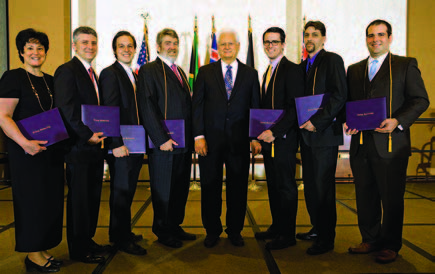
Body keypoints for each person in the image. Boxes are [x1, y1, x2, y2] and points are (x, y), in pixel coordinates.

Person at [346, 19, 429, 264]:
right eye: (371, 35)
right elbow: (351, 104)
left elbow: (420, 100)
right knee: (365, 194)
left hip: (392, 144)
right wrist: (348, 120)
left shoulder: (405, 65)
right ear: (366, 39)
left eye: (381, 35)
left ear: (390, 38)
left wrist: (398, 121)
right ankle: (370, 239)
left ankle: (391, 244)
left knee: (391, 197)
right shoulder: (355, 69)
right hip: (361, 143)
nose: (375, 39)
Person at [0, 28, 64, 272]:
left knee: (49, 201)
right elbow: (3, 116)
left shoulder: (50, 81)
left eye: (40, 48)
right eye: (30, 48)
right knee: (32, 202)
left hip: (50, 152)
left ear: (46, 52)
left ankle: (42, 249)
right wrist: (26, 143)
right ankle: (33, 255)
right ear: (21, 53)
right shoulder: (13, 77)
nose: (36, 52)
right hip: (26, 153)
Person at [192, 29, 261, 248]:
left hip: (239, 142)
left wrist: (254, 137)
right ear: (217, 47)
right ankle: (212, 230)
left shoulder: (251, 74)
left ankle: (235, 230)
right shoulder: (205, 72)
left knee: (238, 188)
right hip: (209, 143)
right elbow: (197, 106)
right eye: (223, 44)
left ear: (239, 46)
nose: (227, 47)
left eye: (231, 43)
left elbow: (255, 107)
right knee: (210, 187)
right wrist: (199, 136)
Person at [54, 26, 110, 264]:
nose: (90, 46)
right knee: (79, 201)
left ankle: (87, 240)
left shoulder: (91, 73)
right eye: (85, 42)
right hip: (79, 147)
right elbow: (66, 109)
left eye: (94, 42)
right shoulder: (67, 71)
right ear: (74, 45)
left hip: (94, 147)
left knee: (92, 198)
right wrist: (87, 135)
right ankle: (79, 249)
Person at [137, 28, 195, 249]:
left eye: (175, 42)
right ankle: (162, 230)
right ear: (159, 46)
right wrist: (160, 138)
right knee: (163, 188)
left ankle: (175, 225)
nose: (172, 46)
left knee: (180, 187)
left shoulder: (179, 70)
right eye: (168, 43)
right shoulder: (149, 70)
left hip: (182, 142)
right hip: (163, 143)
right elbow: (147, 106)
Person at [298, 21, 347, 255]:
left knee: (323, 188)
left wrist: (316, 122)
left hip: (324, 135)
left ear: (323, 38)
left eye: (315, 35)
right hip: (306, 136)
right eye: (306, 35)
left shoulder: (332, 60)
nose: (310, 38)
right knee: (310, 187)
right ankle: (317, 228)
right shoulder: (303, 65)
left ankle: (327, 238)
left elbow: (339, 96)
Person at [254, 27, 304, 250]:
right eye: (267, 42)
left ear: (284, 44)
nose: (270, 45)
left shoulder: (291, 70)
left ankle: (288, 234)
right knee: (273, 185)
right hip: (268, 140)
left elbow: (295, 109)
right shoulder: (267, 71)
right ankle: (277, 227)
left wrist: (274, 132)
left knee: (285, 186)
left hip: (283, 139)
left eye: (275, 42)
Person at [99, 31, 147, 255]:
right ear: (114, 49)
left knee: (127, 191)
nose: (126, 50)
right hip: (121, 145)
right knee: (120, 191)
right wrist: (115, 143)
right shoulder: (110, 74)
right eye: (121, 46)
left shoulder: (134, 75)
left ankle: (123, 232)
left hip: (135, 143)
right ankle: (119, 239)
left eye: (130, 46)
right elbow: (109, 111)